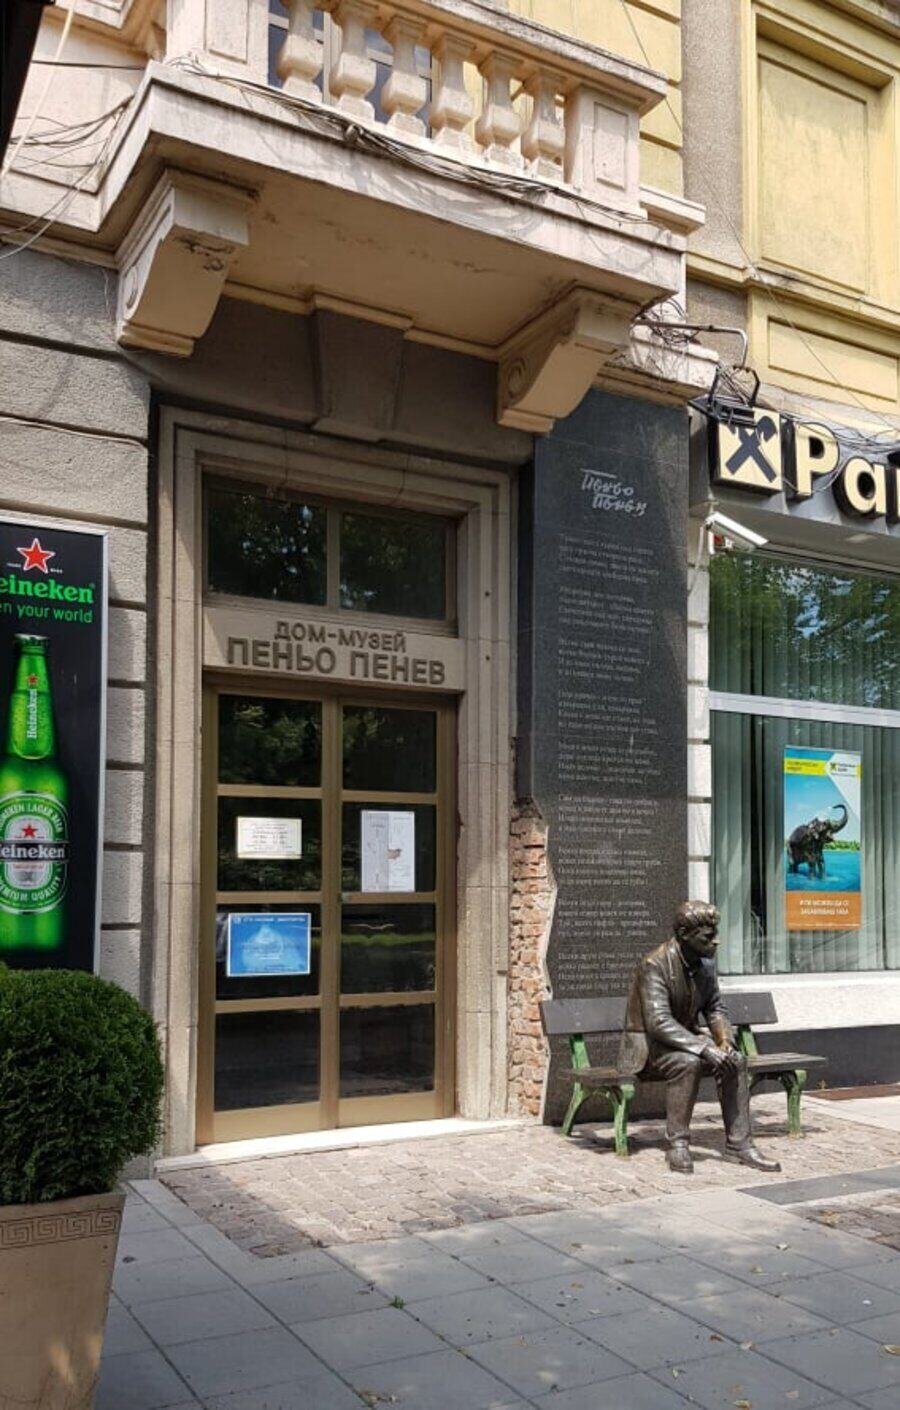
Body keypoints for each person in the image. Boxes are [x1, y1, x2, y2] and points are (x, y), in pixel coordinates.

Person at [618, 900, 781, 1175]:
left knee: (735, 1060)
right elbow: (658, 1022)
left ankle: (740, 1145)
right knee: (688, 1063)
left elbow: (715, 1008)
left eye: (715, 934)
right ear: (684, 935)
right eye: (707, 937)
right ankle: (678, 1144)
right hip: (648, 1048)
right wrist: (703, 1048)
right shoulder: (654, 964)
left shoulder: (705, 965)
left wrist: (724, 1041)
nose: (716, 941)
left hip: (684, 1042)